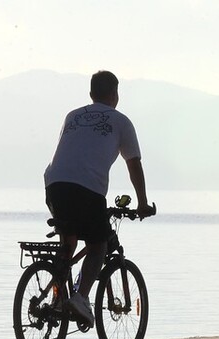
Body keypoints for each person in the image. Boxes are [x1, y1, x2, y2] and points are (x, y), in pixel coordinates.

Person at [43, 70, 155, 325]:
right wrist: (142, 203)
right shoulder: (121, 122)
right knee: (98, 246)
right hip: (86, 189)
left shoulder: (72, 116)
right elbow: (133, 164)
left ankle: (57, 300)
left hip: (54, 186)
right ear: (115, 94)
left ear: (91, 94)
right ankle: (80, 297)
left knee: (68, 241)